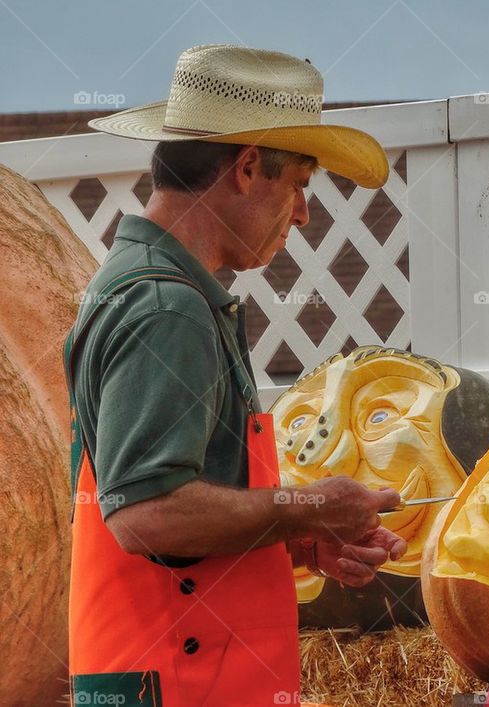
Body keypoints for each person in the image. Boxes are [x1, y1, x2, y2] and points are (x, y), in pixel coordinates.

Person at [65, 44, 406, 707]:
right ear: (248, 168)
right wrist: (312, 504)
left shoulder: (139, 285)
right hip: (183, 682)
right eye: (301, 183)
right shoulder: (168, 308)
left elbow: (175, 495)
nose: (304, 213)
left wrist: (304, 537)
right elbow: (147, 513)